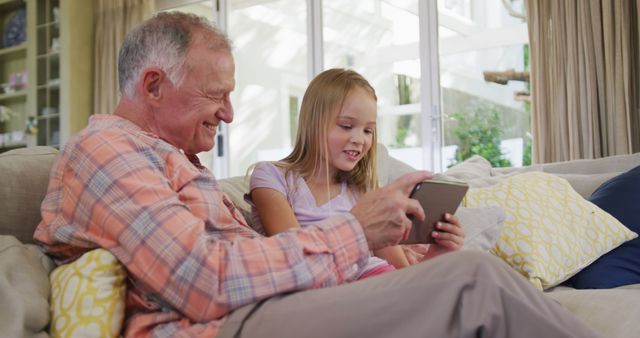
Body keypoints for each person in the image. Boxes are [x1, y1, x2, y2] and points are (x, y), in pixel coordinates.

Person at [33, 11, 603, 338]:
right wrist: (356, 231)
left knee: (467, 277)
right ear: (153, 85)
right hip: (222, 324)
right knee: (475, 285)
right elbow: (204, 280)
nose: (229, 114)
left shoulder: (177, 161)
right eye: (216, 95)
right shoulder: (105, 151)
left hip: (261, 307)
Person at [246, 68, 464, 279]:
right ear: (313, 122)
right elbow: (294, 257)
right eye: (346, 126)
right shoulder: (271, 176)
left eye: (368, 130)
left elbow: (403, 276)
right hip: (331, 292)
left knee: (469, 273)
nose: (360, 140)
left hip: (378, 279)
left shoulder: (363, 190)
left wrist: (436, 253)